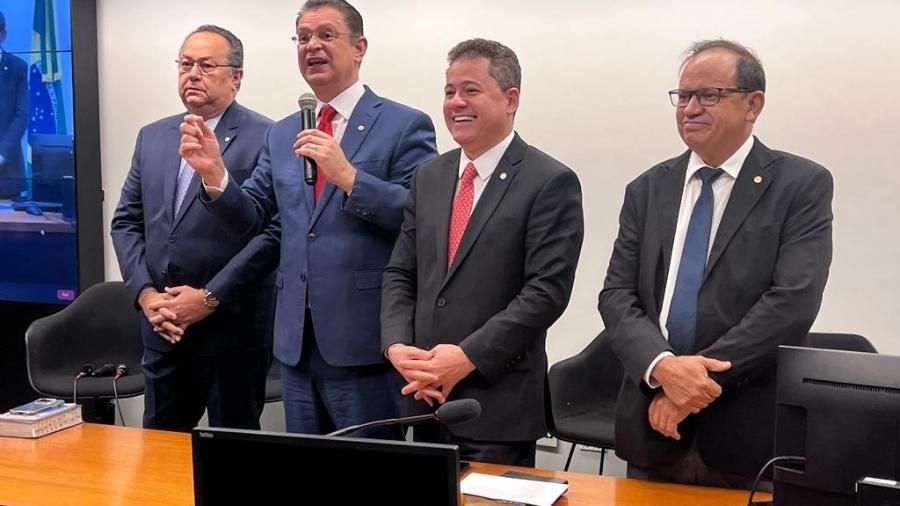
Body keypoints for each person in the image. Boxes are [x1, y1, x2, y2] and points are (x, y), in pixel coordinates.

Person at [178, 0, 437, 437]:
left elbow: (423, 219)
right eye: (302, 38)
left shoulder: (404, 124)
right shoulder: (283, 133)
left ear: (359, 47)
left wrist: (351, 179)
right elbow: (254, 218)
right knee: (304, 478)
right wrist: (215, 175)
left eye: (325, 35)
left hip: (364, 343)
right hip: (295, 343)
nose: (311, 46)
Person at [599, 39, 833, 487]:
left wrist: (691, 388)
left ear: (753, 104)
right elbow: (617, 296)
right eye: (682, 96)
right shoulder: (647, 189)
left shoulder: (800, 185)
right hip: (652, 425)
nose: (689, 108)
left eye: (708, 95)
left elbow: (792, 302)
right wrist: (663, 367)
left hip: (745, 433)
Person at [380, 39, 584, 466]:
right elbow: (402, 271)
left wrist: (468, 357)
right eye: (449, 91)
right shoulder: (429, 176)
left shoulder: (550, 181)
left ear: (511, 99)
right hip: (424, 396)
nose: (456, 102)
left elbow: (545, 293)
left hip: (497, 404)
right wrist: (398, 346)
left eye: (471, 90)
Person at [111, 25, 275, 431]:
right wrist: (147, 296)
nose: (192, 74)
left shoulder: (268, 136)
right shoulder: (152, 137)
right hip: (163, 329)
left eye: (206, 65)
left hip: (231, 331)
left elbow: (272, 235)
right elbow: (127, 222)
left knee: (231, 461)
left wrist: (208, 298)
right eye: (185, 64)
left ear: (236, 76)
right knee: (160, 458)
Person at [0, 11, 28, 199]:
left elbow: (22, 115)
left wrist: (2, 153)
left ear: (3, 35)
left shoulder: (18, 67)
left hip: (8, 171)